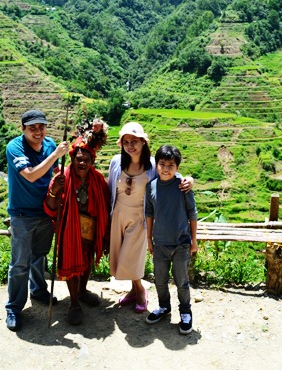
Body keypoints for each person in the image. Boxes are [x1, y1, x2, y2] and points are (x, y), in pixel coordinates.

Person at [108, 122, 193, 313]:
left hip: (140, 216)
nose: (130, 145)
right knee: (120, 255)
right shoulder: (115, 162)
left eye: (135, 141)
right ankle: (133, 290)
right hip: (119, 214)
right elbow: (110, 188)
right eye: (126, 141)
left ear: (143, 143)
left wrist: (189, 179)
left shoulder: (153, 165)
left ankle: (140, 292)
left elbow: (169, 174)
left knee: (130, 257)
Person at [4, 109, 70, 332]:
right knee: (20, 263)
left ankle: (38, 290)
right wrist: (55, 156)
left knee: (39, 256)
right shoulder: (15, 148)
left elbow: (53, 170)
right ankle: (13, 308)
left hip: (45, 212)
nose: (38, 131)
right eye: (32, 127)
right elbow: (31, 174)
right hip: (22, 215)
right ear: (23, 129)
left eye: (41, 126)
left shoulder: (50, 144)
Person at [45, 119, 110, 325]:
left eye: (87, 160)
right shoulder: (62, 177)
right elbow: (50, 207)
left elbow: (106, 205)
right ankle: (74, 303)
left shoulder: (98, 179)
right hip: (69, 228)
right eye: (79, 159)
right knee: (72, 263)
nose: (82, 163)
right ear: (72, 159)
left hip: (90, 227)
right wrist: (55, 190)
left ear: (92, 161)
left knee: (87, 260)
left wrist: (104, 234)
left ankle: (82, 291)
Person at [144, 145, 198, 335]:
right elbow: (149, 214)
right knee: (160, 280)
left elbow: (192, 213)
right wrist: (149, 239)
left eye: (171, 165)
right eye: (162, 164)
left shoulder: (182, 185)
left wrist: (194, 240)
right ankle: (164, 307)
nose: (166, 169)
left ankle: (185, 312)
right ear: (156, 165)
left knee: (182, 281)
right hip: (160, 243)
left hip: (181, 243)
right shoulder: (150, 187)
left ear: (177, 167)